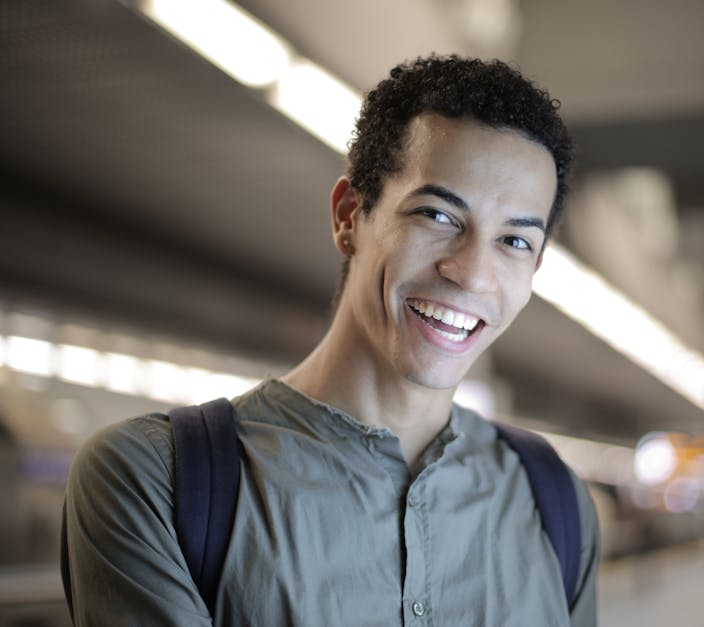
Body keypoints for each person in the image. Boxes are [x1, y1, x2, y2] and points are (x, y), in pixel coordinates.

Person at [60, 54, 599, 626]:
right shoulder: (155, 482)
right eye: (438, 216)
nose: (472, 273)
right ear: (349, 215)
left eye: (515, 242)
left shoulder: (554, 503)